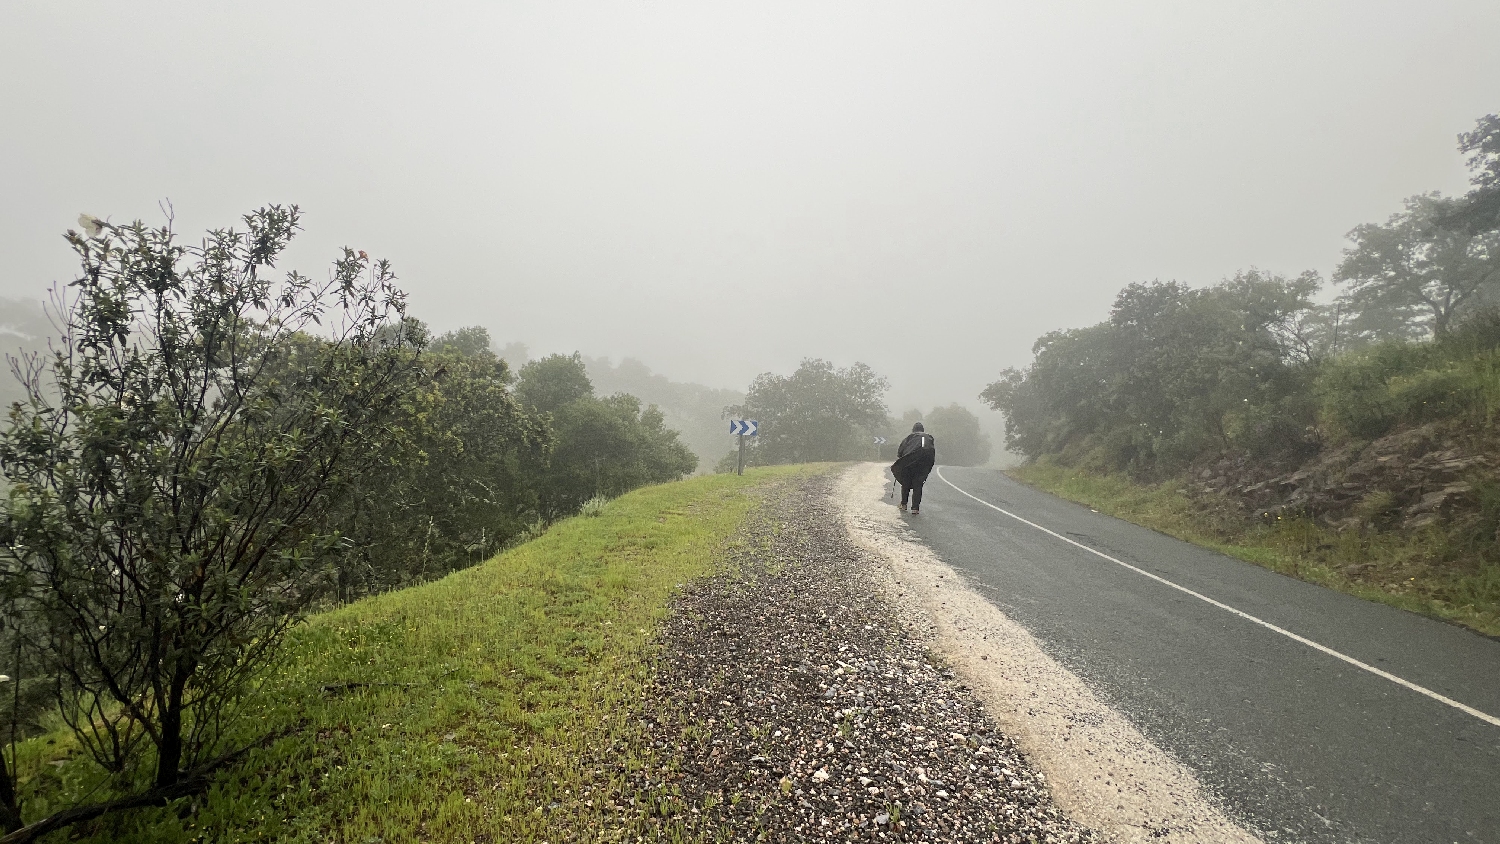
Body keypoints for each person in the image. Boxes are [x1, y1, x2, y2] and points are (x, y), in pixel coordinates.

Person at [891, 422, 936, 514]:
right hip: (923, 465)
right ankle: (915, 508)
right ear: (922, 430)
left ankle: (903, 504)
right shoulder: (928, 438)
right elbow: (929, 450)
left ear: (913, 430)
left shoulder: (909, 437)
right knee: (918, 485)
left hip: (909, 463)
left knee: (905, 483)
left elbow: (900, 452)